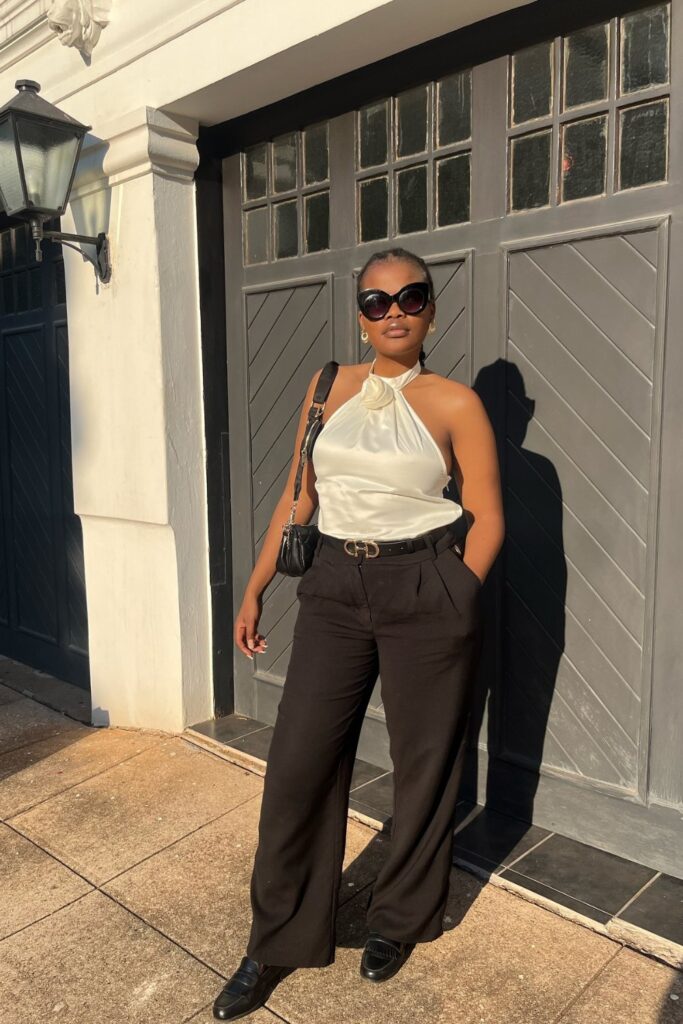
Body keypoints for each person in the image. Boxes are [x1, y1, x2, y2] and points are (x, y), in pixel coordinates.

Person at [213, 246, 505, 1020]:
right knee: (298, 764)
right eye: (376, 302)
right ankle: (274, 937)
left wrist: (457, 591)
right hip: (336, 586)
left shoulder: (454, 403)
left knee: (424, 765)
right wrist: (255, 588)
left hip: (425, 583)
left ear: (431, 308)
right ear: (359, 314)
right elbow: (295, 499)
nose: (393, 313)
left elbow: (488, 512)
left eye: (409, 298)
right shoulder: (326, 386)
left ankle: (399, 918)